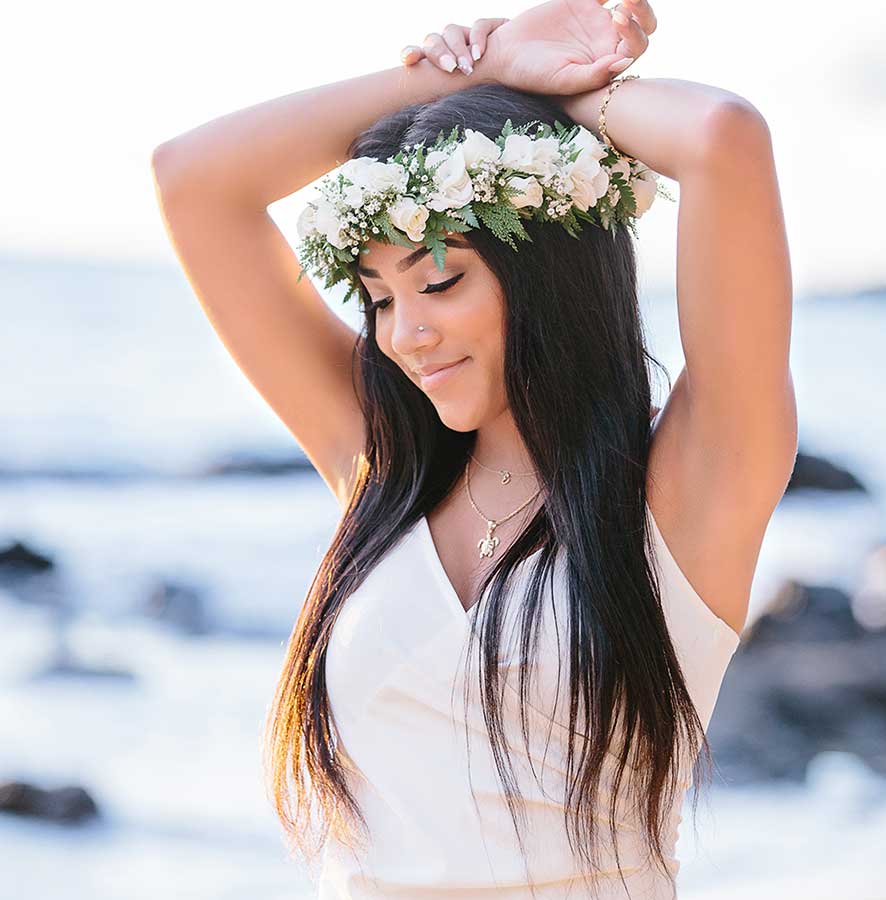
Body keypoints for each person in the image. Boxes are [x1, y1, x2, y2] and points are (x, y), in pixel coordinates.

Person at [151, 0, 797, 896]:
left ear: (548, 272)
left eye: (440, 281)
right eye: (377, 297)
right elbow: (191, 179)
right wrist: (467, 72)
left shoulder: (687, 492)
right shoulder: (380, 471)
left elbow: (722, 136)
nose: (405, 334)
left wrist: (544, 111)